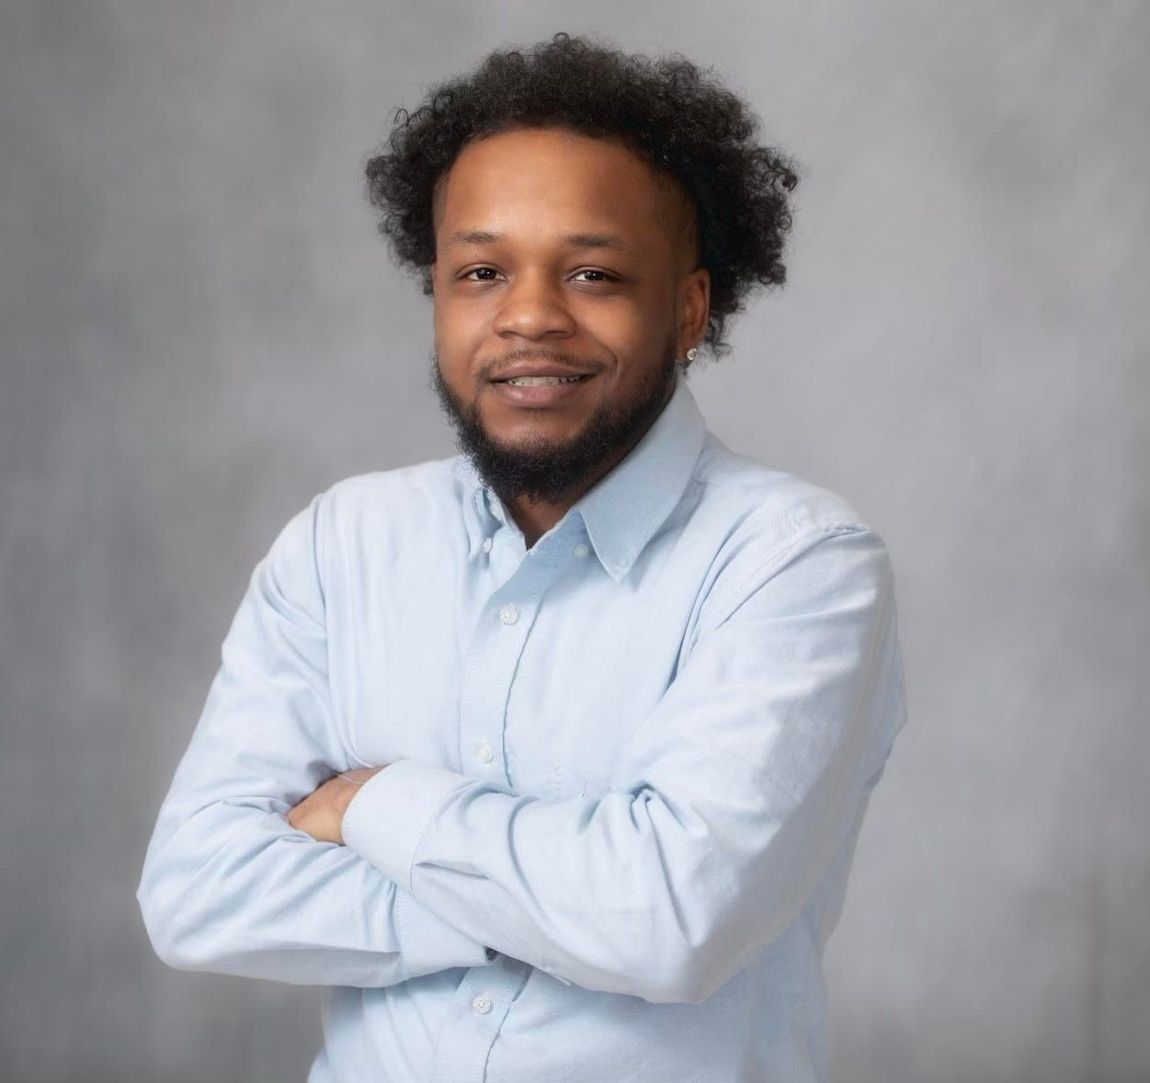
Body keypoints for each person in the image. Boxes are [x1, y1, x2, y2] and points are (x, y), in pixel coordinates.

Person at [136, 31, 908, 1083]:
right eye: (482, 271)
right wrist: (553, 906)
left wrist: (375, 807)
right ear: (440, 297)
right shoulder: (342, 545)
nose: (529, 316)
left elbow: (667, 922)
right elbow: (195, 893)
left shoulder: (796, 566)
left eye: (592, 272)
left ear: (689, 308)